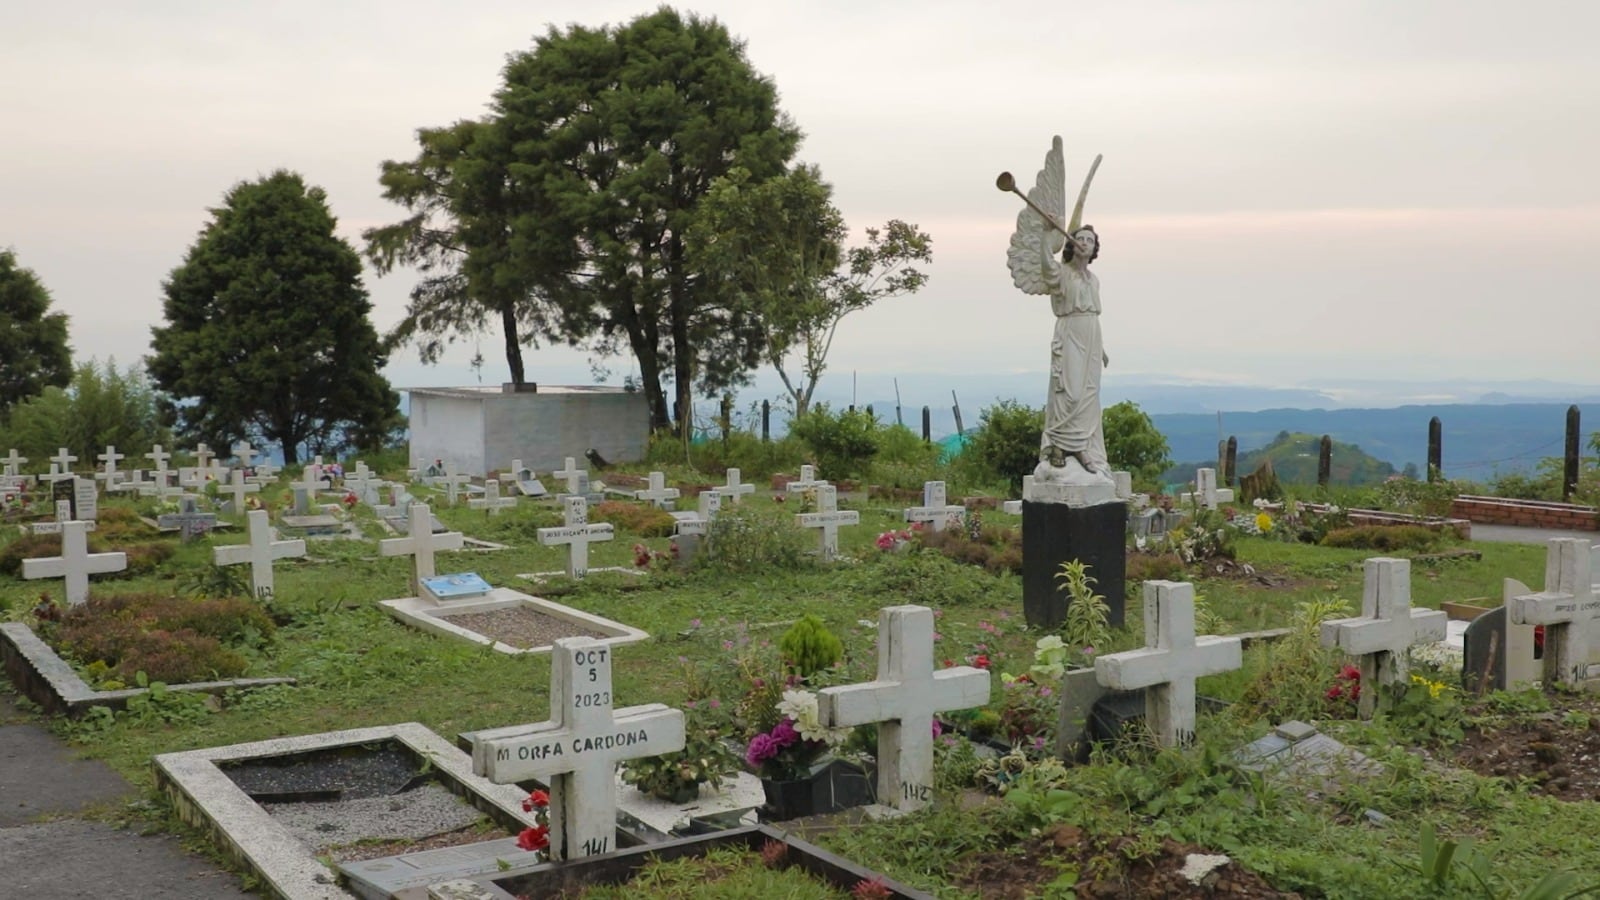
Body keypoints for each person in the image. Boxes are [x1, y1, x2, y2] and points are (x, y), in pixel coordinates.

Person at [1035, 223, 1110, 479]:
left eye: (1090, 240)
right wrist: (1047, 236)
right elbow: (1046, 267)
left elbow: (1092, 313)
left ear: (1094, 248)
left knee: (1089, 395)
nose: (1086, 243)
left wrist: (1100, 348)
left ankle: (1081, 449)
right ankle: (1058, 444)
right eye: (1081, 238)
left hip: (1091, 333)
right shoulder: (1063, 273)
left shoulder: (1094, 280)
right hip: (1070, 333)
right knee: (1070, 392)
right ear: (1072, 244)